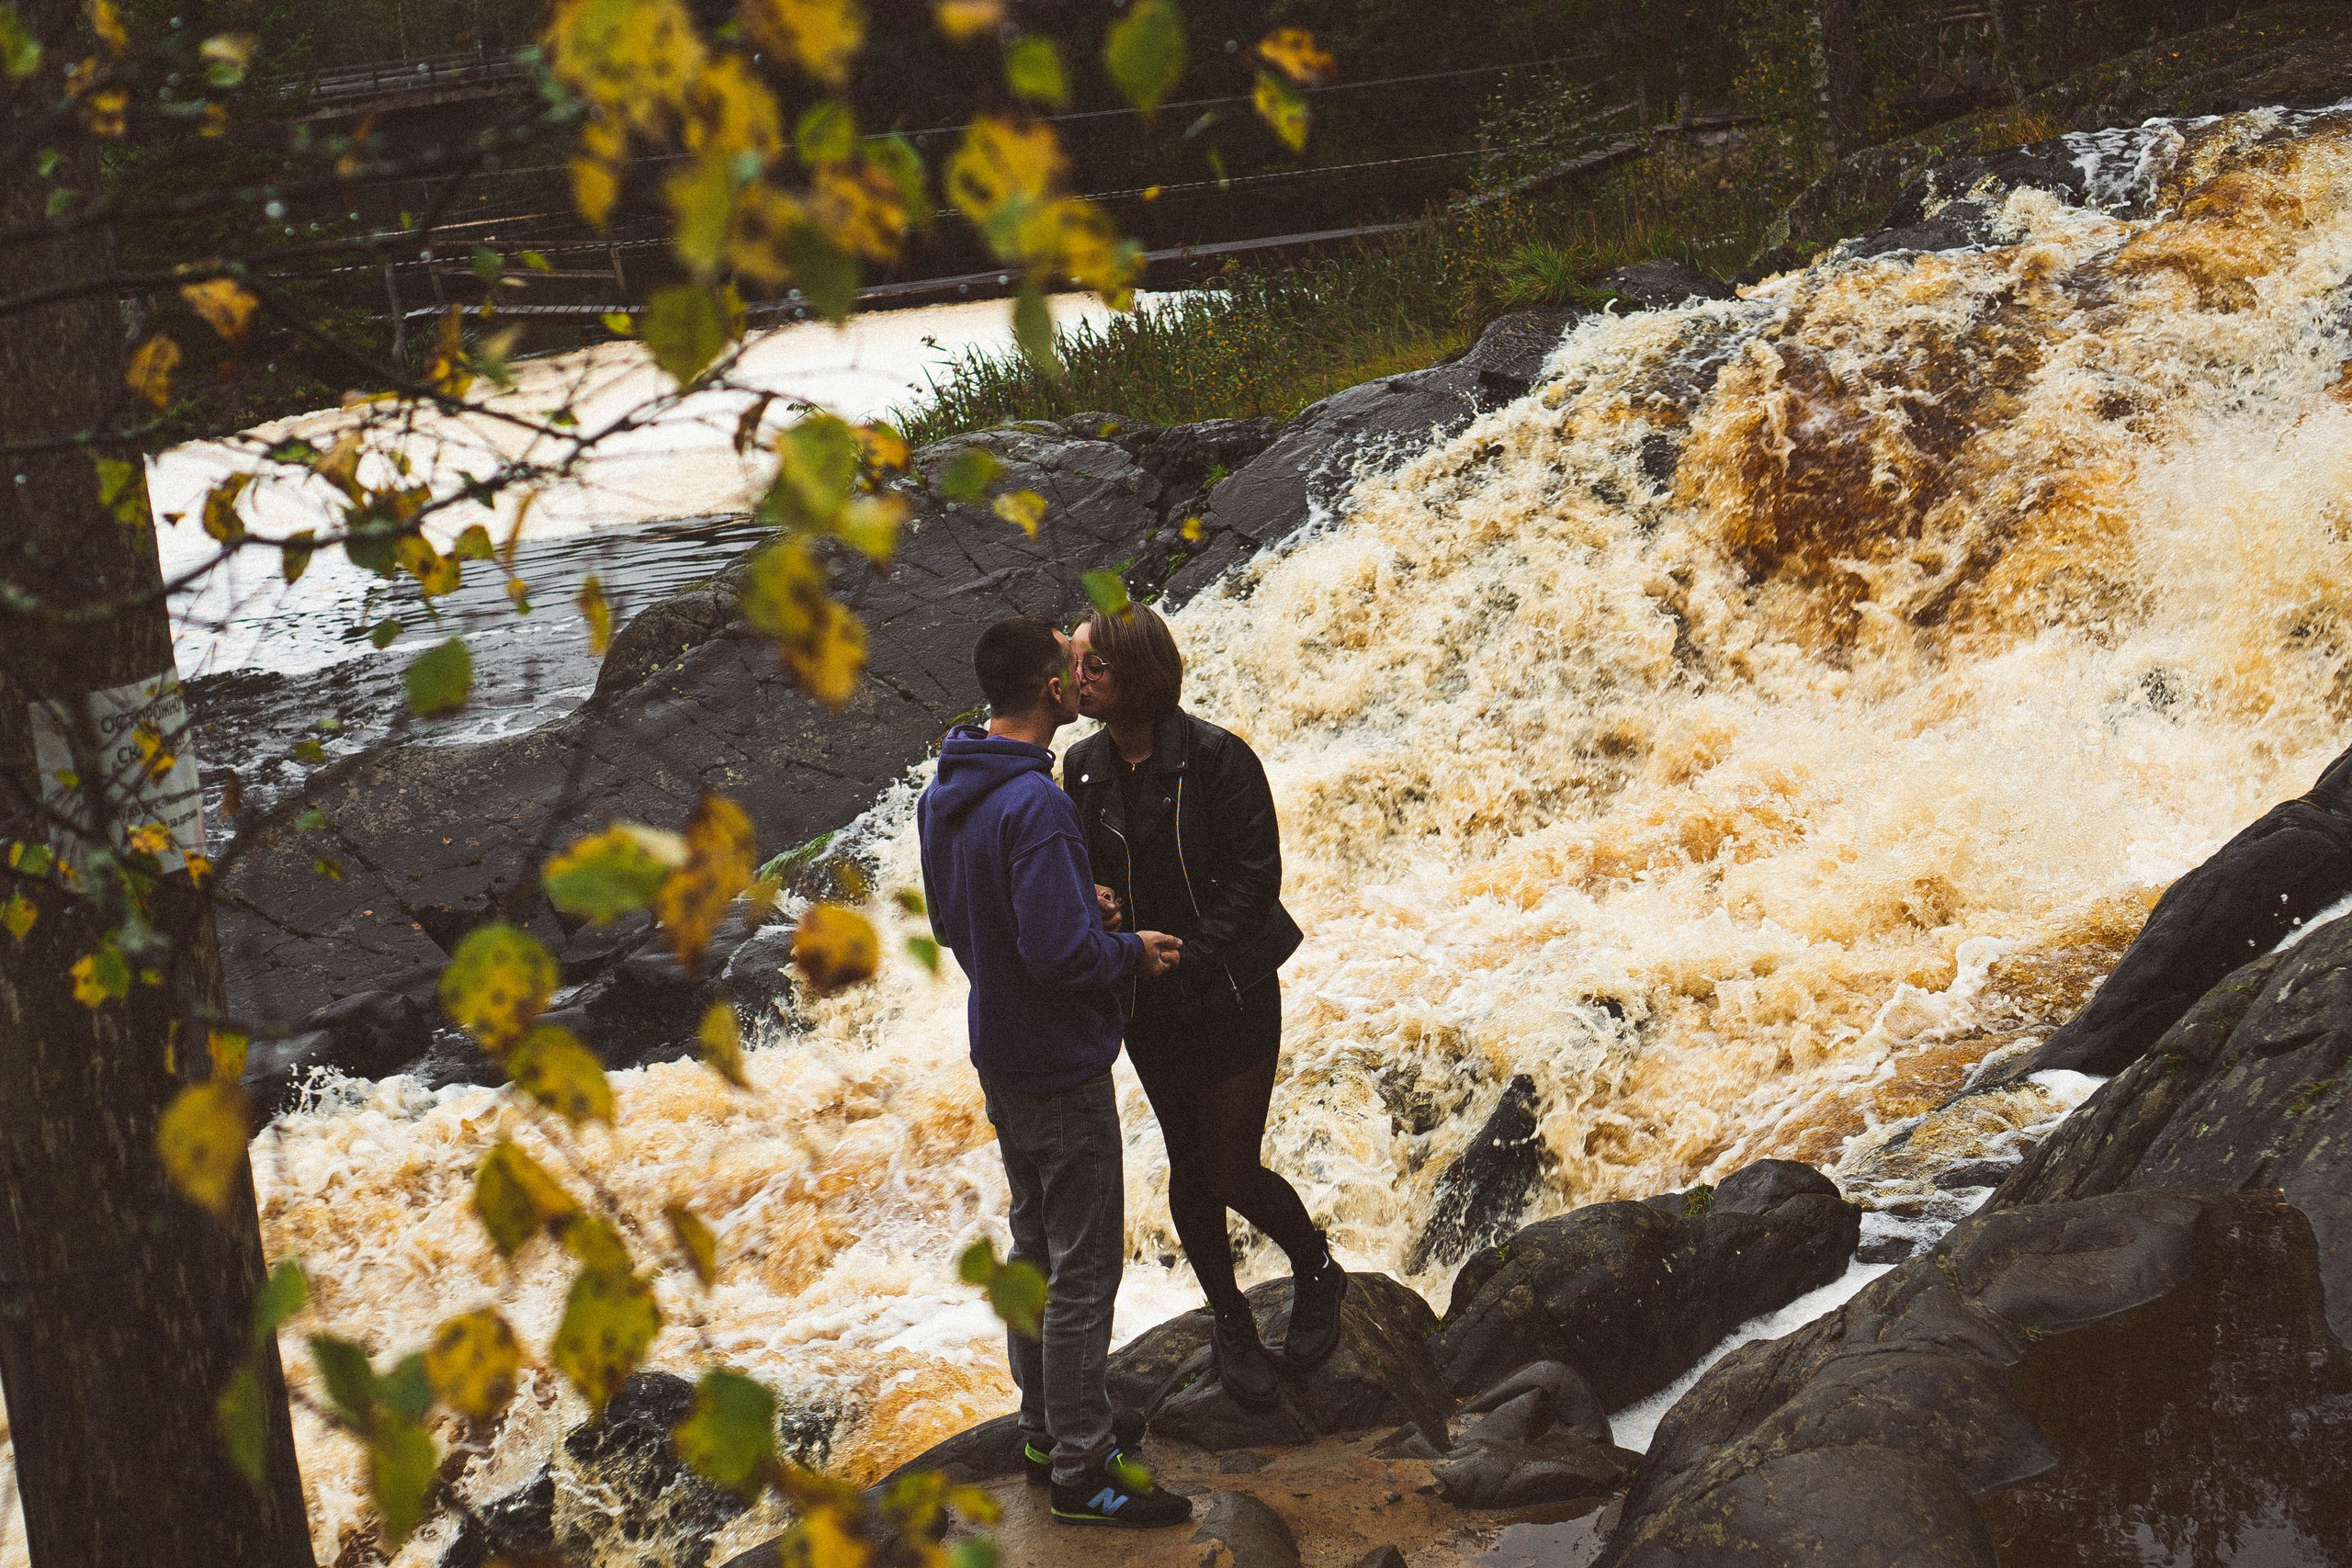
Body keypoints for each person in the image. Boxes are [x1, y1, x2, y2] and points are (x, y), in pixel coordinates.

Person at [917, 615, 1193, 1529]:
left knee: (1036, 1251)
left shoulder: (950, 787)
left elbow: (961, 923)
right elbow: (1061, 957)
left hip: (999, 1047)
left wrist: (1075, 902)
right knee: (1081, 1269)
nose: (1086, 676)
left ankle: (1043, 1428)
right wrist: (1120, 947)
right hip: (1057, 1057)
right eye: (1073, 666)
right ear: (1050, 691)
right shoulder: (1034, 804)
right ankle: (1081, 1470)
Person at [1063, 602, 1348, 1413]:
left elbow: (1259, 877)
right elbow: (1076, 872)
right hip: (1147, 1001)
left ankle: (1316, 1264)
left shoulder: (1220, 758)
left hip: (1230, 989)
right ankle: (1229, 1316)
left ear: (1138, 674)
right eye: (1078, 666)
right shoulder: (1082, 769)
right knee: (1189, 1169)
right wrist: (1099, 906)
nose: (1078, 679)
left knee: (1229, 1165)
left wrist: (1191, 954)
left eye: (1095, 667)